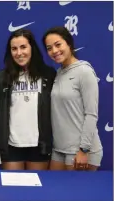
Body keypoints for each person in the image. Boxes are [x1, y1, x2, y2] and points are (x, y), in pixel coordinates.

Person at [0, 29, 56, 170]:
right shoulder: (3, 77)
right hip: (12, 145)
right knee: (13, 189)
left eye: (23, 47)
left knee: (37, 188)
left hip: (39, 145)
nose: (19, 53)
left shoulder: (48, 74)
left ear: (32, 48)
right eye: (14, 49)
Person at [42, 26, 103, 171]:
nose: (54, 51)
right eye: (49, 48)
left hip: (80, 151)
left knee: (76, 194)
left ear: (69, 43)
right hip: (59, 149)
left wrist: (84, 150)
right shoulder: (58, 73)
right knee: (54, 193)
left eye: (58, 44)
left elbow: (91, 114)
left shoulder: (85, 71)